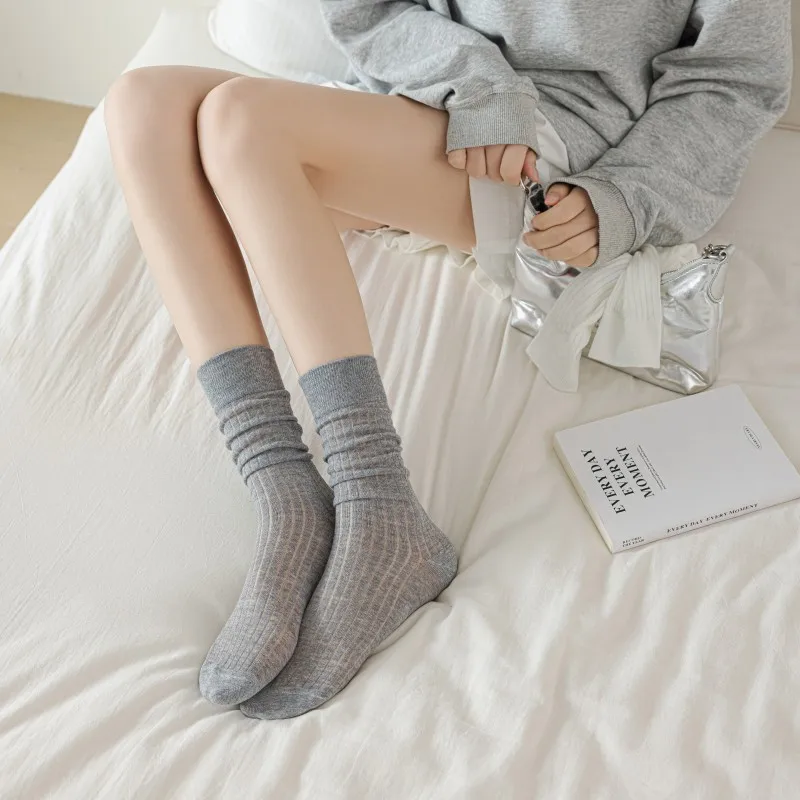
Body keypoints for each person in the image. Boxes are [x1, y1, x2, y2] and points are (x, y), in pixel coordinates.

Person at [103, 0, 792, 720]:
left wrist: (628, 198)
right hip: (428, 93)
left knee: (243, 120)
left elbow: (736, 75)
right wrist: (475, 82)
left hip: (554, 141)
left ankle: (377, 498)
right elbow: (368, 10)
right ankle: (285, 489)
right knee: (142, 102)